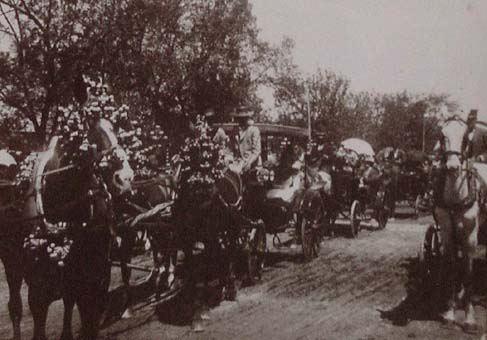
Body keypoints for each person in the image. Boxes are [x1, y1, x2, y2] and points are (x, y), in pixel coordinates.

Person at [230, 106, 262, 174]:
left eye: (243, 118)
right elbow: (231, 148)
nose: (241, 120)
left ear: (247, 118)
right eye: (239, 118)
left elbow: (256, 151)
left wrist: (249, 162)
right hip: (238, 163)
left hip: (252, 165)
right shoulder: (235, 130)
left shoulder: (254, 130)